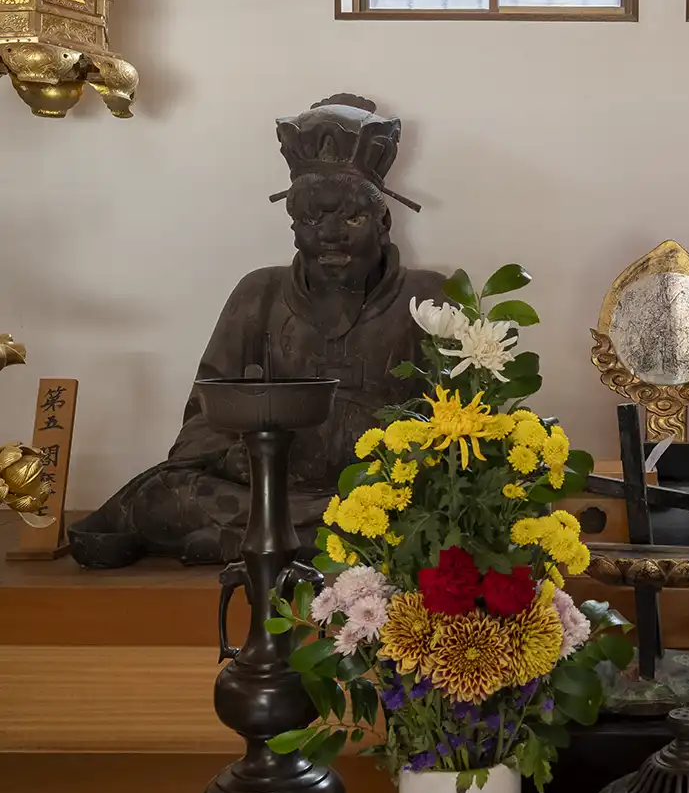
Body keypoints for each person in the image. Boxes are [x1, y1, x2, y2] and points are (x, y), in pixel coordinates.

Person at [70, 95, 447, 567]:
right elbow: (203, 415)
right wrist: (242, 456)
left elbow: (467, 422)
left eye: (351, 217)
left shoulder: (428, 295)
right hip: (267, 484)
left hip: (379, 489)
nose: (330, 235)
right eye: (310, 219)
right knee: (163, 494)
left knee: (438, 508)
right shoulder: (259, 292)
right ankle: (319, 539)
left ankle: (251, 540)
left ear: (383, 221)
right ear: (292, 226)